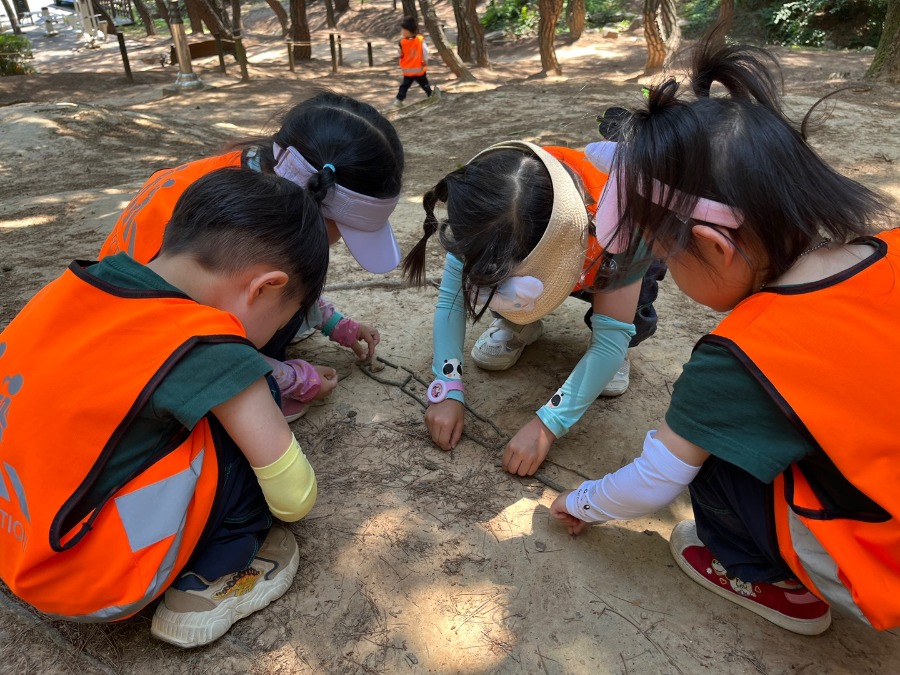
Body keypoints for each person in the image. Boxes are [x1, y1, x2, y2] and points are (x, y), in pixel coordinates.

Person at [550, 35, 900, 635]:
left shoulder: (742, 354)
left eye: (666, 257)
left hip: (883, 561)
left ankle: (775, 584)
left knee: (707, 459)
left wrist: (577, 500)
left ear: (713, 246)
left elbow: (655, 481)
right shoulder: (887, 249)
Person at [0, 168, 328, 647]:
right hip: (85, 579)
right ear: (265, 288)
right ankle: (220, 572)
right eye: (285, 317)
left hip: (14, 536)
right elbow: (295, 499)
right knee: (250, 403)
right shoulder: (209, 347)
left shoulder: (81, 282)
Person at [99, 91, 405, 422]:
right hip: (143, 355)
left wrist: (336, 323)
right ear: (314, 202)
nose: (340, 242)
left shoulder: (249, 183)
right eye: (344, 231)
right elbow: (205, 349)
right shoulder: (243, 237)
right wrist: (292, 379)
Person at [402, 140, 665, 477]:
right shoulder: (486, 210)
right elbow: (452, 298)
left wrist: (548, 425)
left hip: (608, 256)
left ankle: (616, 332)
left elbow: (608, 341)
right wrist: (447, 383)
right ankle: (519, 323)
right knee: (497, 281)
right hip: (550, 248)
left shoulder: (625, 224)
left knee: (626, 313)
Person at [392, 17, 438, 108]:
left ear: (409, 31)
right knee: (424, 83)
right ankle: (430, 95)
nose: (402, 32)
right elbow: (425, 51)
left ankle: (398, 100)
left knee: (405, 85)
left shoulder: (402, 42)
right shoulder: (420, 40)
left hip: (408, 70)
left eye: (403, 30)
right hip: (418, 68)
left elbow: (400, 54)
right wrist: (425, 60)